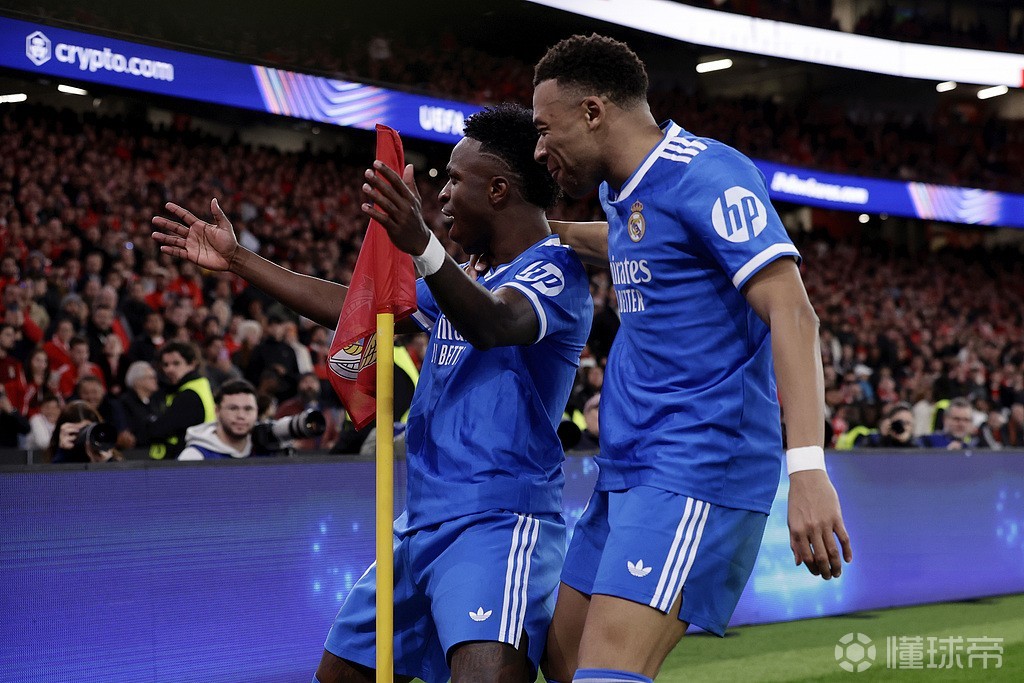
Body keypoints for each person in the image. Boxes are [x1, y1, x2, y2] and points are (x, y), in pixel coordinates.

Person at [152, 103, 592, 683]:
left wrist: (424, 247)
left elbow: (496, 323)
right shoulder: (467, 277)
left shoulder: (555, 271)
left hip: (498, 523)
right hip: (420, 523)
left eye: (453, 180)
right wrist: (238, 260)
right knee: (339, 677)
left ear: (498, 190)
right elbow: (355, 307)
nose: (441, 195)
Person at [529, 34, 852, 682]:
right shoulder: (624, 193)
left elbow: (793, 312)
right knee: (559, 655)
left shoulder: (707, 172)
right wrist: (546, 235)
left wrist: (808, 469)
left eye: (543, 129)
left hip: (698, 463)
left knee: (605, 672)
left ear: (592, 112)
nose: (539, 150)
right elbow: (633, 240)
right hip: (628, 466)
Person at [143, 341, 216, 459]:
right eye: (166, 365)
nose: (169, 369)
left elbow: (157, 430)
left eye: (176, 363)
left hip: (186, 460)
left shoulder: (189, 394)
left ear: (192, 364)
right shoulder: (199, 386)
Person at [178, 379, 262, 460]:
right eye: (233, 408)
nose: (241, 415)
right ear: (217, 411)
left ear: (257, 411)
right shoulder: (194, 456)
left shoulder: (263, 449)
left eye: (248, 409)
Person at [45, 400, 122, 463]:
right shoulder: (61, 457)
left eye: (88, 430)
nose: (84, 437)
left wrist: (106, 463)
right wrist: (62, 454)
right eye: (75, 432)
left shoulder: (111, 459)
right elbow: (53, 477)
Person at [118, 360, 164, 446]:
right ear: (138, 381)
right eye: (151, 377)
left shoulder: (156, 401)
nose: (155, 380)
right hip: (135, 449)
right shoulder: (124, 403)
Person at [849, 402, 922, 448]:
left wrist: (907, 442)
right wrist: (883, 438)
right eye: (899, 422)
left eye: (907, 423)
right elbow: (858, 455)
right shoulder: (873, 439)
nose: (903, 426)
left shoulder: (919, 443)